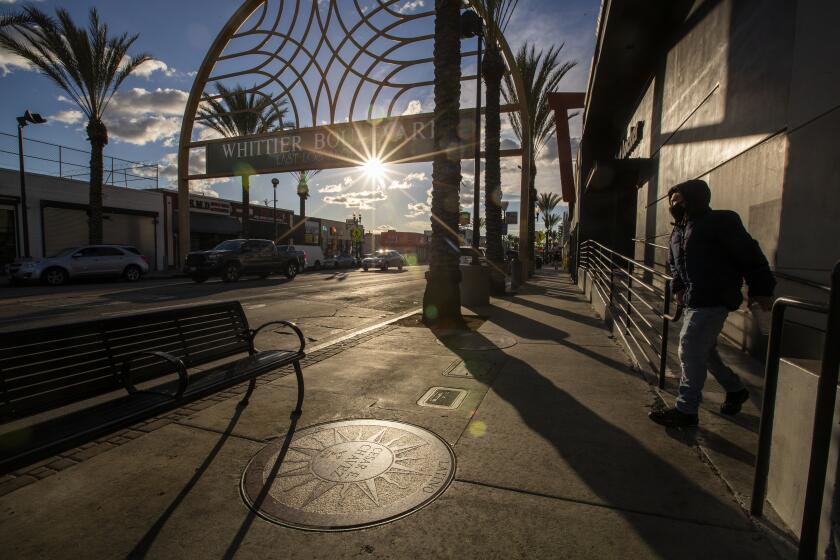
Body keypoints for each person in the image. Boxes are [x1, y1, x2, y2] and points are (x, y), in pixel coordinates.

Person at [649, 179, 775, 428]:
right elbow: (674, 266)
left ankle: (686, 409)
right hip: (693, 300)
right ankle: (735, 389)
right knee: (704, 352)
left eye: (680, 200)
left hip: (715, 297)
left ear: (695, 198)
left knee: (689, 348)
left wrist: (760, 289)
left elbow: (750, 254)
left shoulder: (721, 221)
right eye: (672, 202)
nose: (675, 206)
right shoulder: (677, 232)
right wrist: (679, 288)